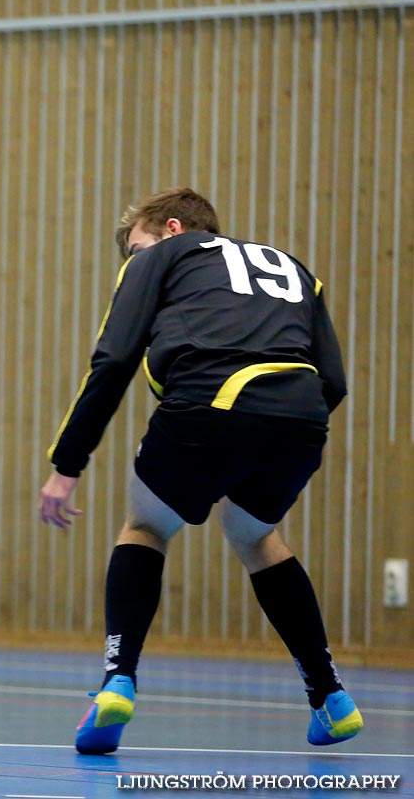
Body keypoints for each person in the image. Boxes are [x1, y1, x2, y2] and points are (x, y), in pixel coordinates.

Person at [39, 187, 362, 755]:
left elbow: (114, 358)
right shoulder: (295, 270)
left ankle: (117, 681)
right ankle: (330, 696)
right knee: (255, 534)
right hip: (301, 418)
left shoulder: (165, 256)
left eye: (134, 249)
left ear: (170, 229)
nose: (131, 263)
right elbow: (333, 380)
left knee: (145, 526)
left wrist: (66, 465)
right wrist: (266, 430)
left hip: (206, 406)